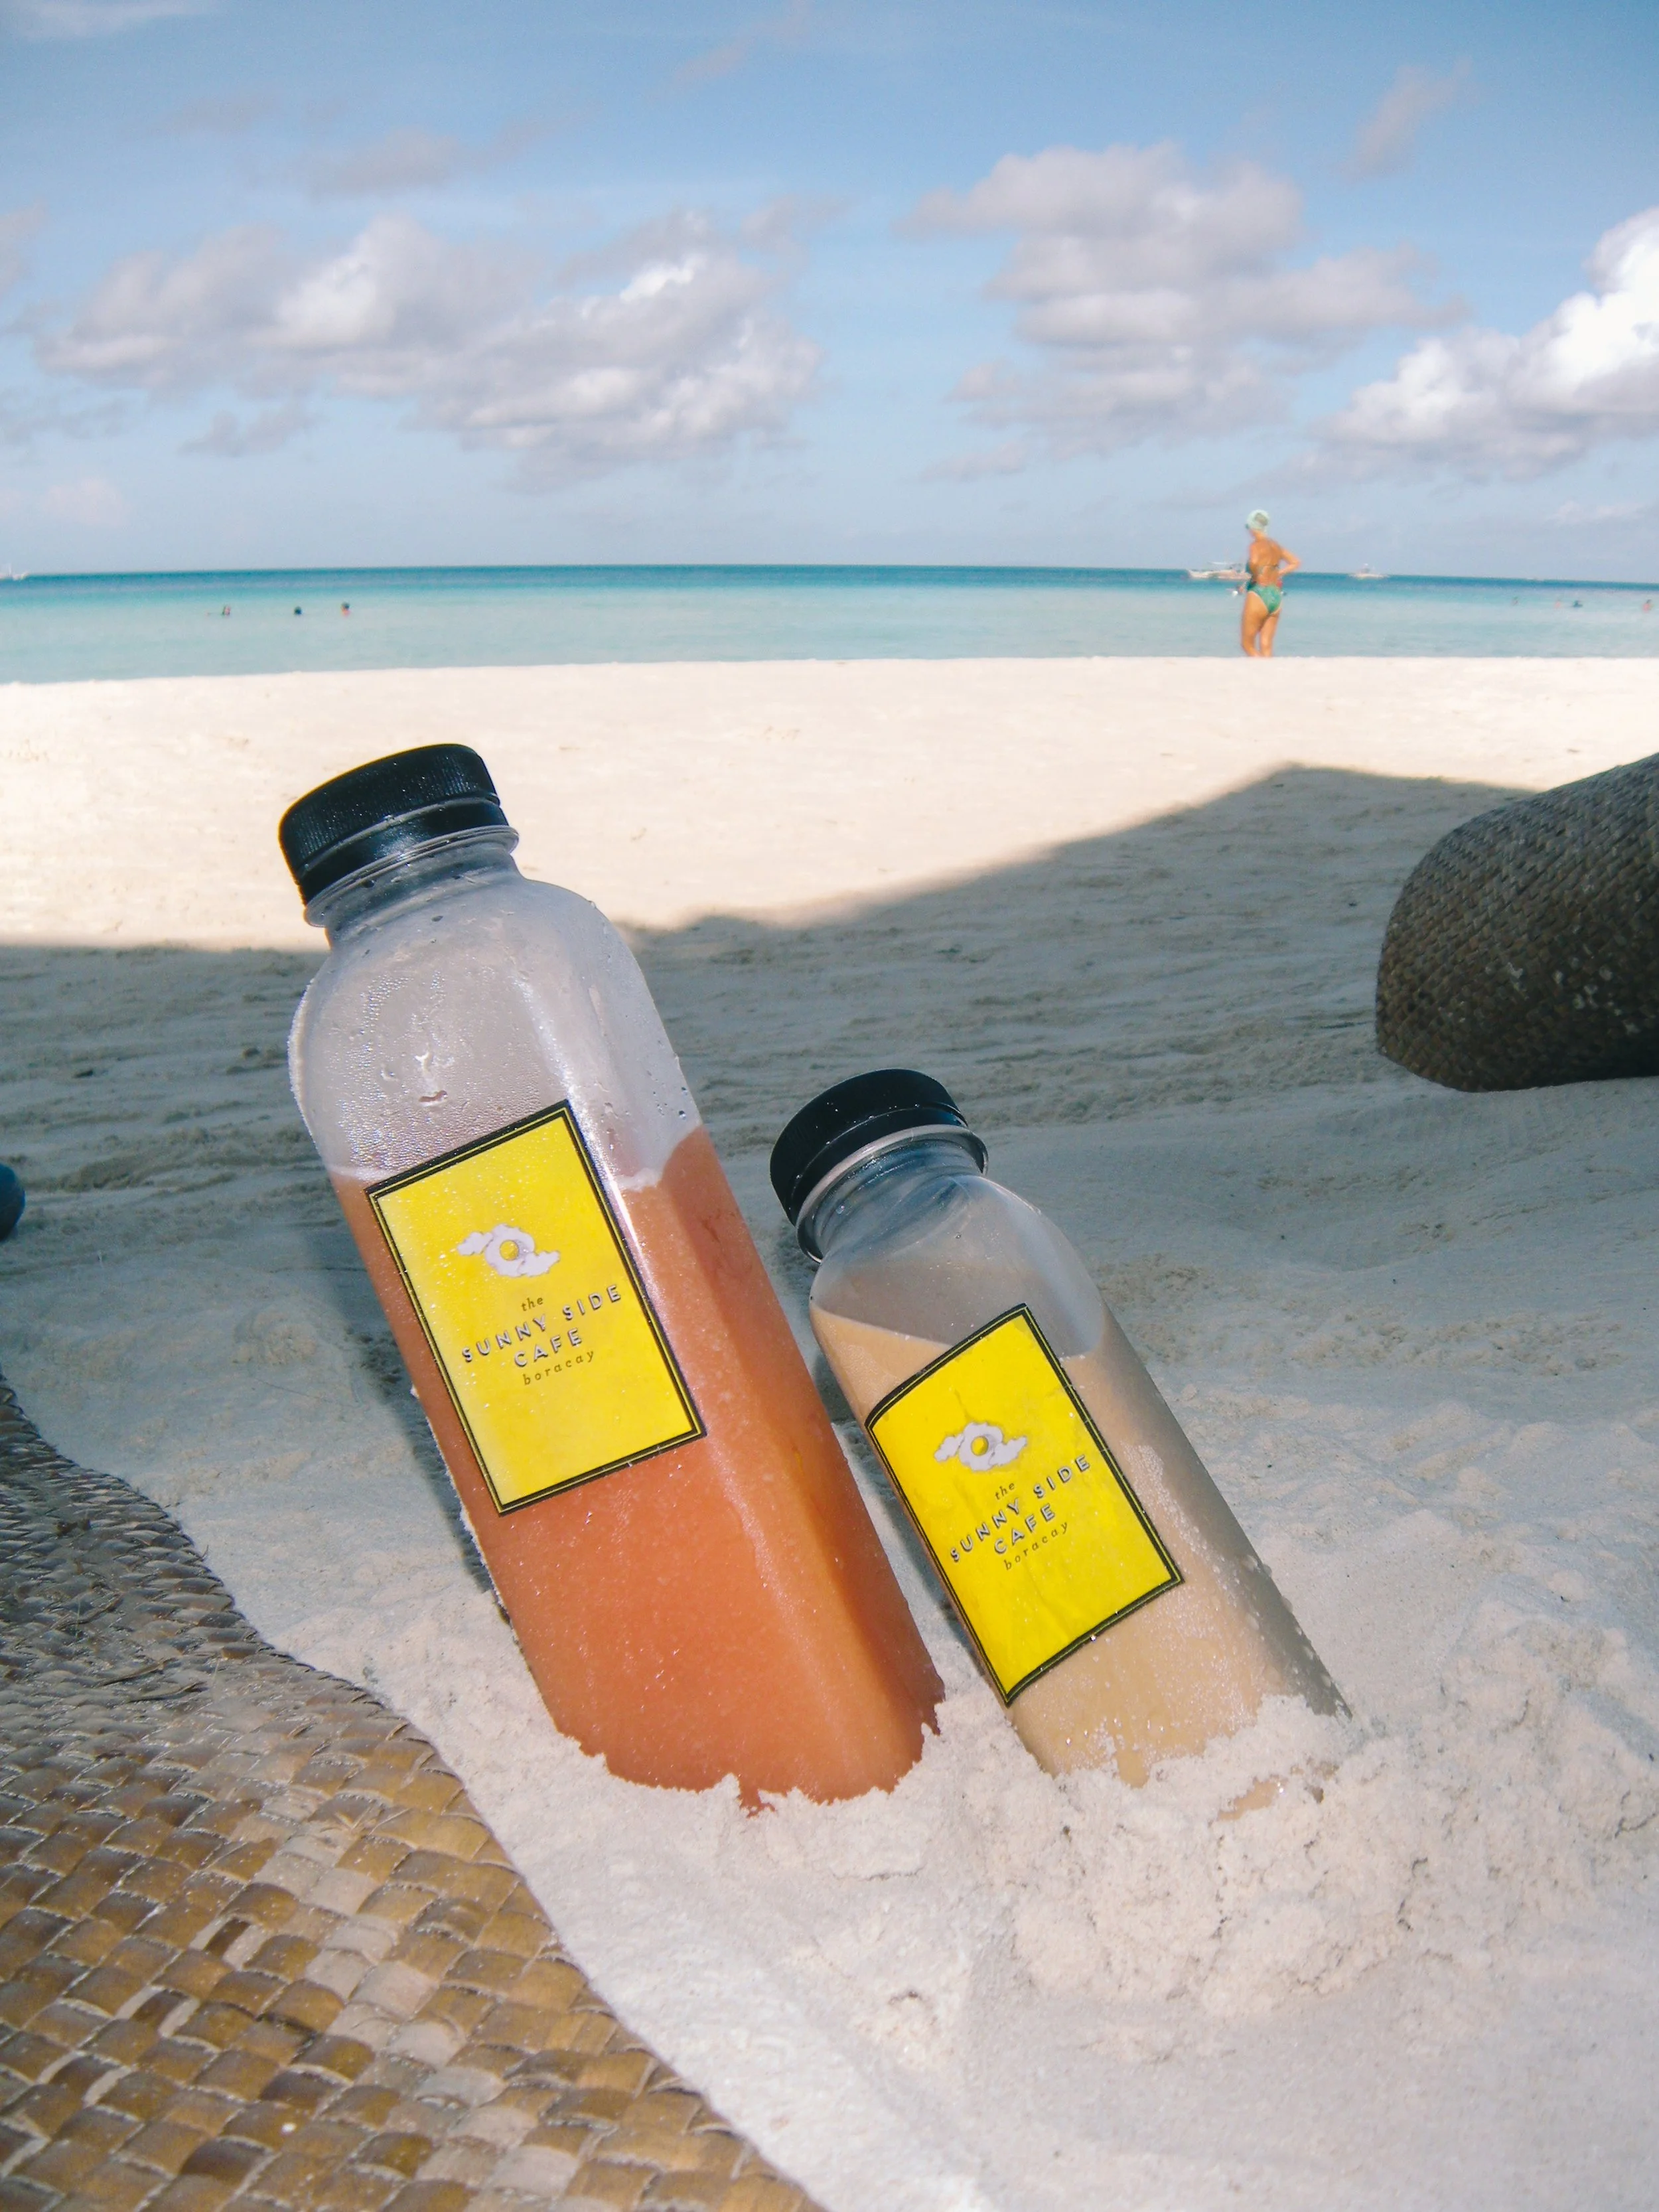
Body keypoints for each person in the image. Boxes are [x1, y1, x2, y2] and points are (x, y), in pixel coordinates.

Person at [1240, 508, 1299, 658]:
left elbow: (1253, 562)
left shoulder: (1255, 545)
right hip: (1275, 595)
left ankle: (1260, 670)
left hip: (1259, 593)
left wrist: (1255, 575)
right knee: (1266, 645)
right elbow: (1295, 562)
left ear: (1253, 528)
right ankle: (1269, 675)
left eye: (1248, 528)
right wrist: (1278, 573)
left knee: (1247, 644)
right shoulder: (1276, 546)